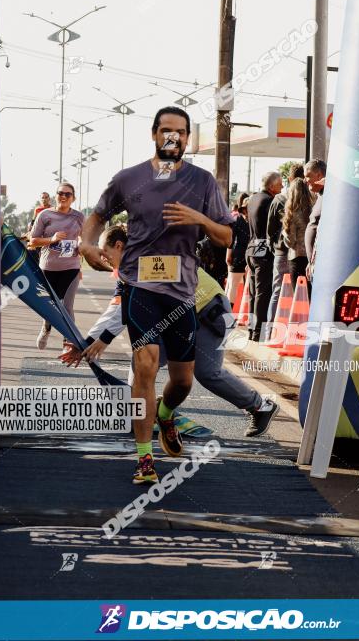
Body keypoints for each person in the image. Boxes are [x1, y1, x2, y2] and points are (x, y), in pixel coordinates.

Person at [80, 106, 233, 485]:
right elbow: (98, 215)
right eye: (166, 130)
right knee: (145, 364)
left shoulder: (203, 182)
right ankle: (144, 459)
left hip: (182, 293)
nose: (173, 137)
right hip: (140, 286)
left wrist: (199, 219)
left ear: (187, 139)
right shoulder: (129, 179)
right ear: (154, 134)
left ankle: (166, 413)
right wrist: (86, 243)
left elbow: (227, 236)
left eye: (180, 132)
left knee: (183, 381)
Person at [62, 225, 279, 438]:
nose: (103, 258)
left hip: (206, 309)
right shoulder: (128, 270)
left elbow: (124, 311)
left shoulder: (145, 259)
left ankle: (260, 407)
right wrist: (86, 342)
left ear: (119, 245)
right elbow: (116, 309)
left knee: (207, 373)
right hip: (176, 317)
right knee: (142, 363)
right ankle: (138, 413)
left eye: (105, 252)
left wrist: (101, 341)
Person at [30, 182, 84, 350]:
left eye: (68, 194)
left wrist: (82, 246)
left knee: (67, 307)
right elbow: (33, 241)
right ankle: (46, 327)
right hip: (48, 268)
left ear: (73, 198)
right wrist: (51, 240)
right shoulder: (45, 215)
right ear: (56, 196)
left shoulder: (79, 217)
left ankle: (68, 343)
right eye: (60, 193)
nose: (63, 196)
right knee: (50, 306)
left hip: (71, 267)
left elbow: (85, 238)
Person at [245, 172, 282, 342]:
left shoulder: (252, 198)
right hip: (262, 249)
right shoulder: (269, 201)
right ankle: (259, 331)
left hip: (251, 247)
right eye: (280, 184)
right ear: (271, 186)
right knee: (263, 292)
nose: (282, 188)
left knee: (254, 292)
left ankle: (253, 330)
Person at [266, 163, 304, 327]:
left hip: (282, 252)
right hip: (302, 254)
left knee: (277, 291)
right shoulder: (311, 198)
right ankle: (296, 332)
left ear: (290, 178)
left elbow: (270, 229)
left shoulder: (280, 199)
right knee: (300, 294)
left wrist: (275, 246)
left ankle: (270, 331)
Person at [282, 178, 313, 294]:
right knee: (309, 295)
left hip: (296, 258)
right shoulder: (313, 210)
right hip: (311, 258)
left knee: (299, 297)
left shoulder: (293, 213)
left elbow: (290, 242)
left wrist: (284, 232)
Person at [304, 160, 327, 278]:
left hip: (324, 265)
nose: (305, 180)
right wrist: (311, 262)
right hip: (315, 264)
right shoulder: (320, 196)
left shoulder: (331, 194)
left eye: (308, 176)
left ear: (319, 175)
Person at [225, 195, 250, 304]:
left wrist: (228, 255)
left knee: (233, 284)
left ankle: (229, 312)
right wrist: (229, 255)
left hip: (240, 255)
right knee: (235, 285)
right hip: (247, 255)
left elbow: (231, 239)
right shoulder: (256, 220)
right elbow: (231, 239)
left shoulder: (237, 219)